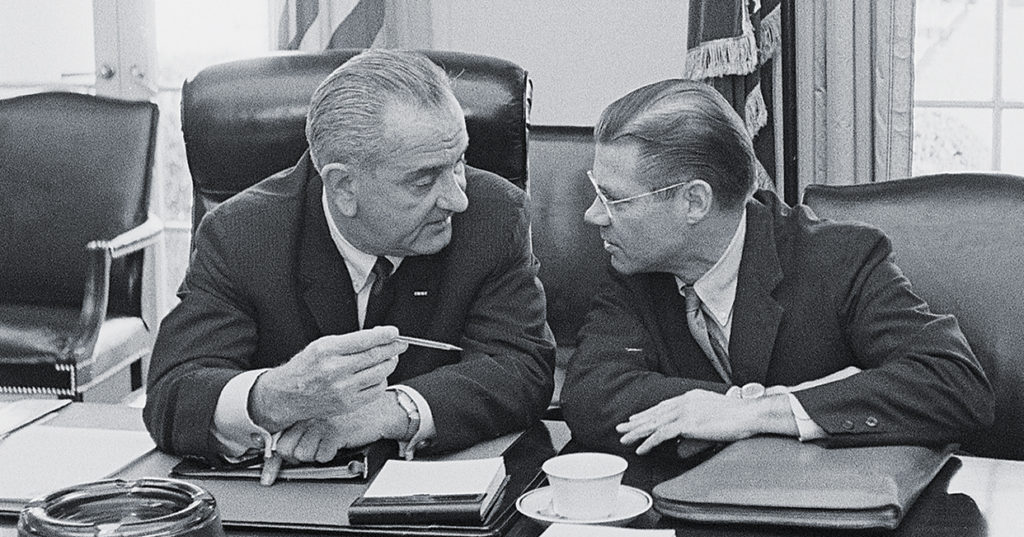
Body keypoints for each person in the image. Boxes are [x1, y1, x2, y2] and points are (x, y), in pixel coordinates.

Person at [144, 50, 555, 467]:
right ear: (343, 187)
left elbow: (523, 368)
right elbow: (172, 394)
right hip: (289, 505)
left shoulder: (495, 216)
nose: (457, 198)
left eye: (460, 162)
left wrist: (390, 411)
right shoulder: (242, 234)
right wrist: (273, 396)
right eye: (424, 179)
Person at [561, 79, 992, 456]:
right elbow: (591, 396)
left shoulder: (841, 259)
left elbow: (955, 385)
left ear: (694, 201)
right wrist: (734, 406)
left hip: (831, 529)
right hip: (700, 518)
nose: (593, 215)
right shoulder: (634, 265)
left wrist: (759, 413)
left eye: (615, 199)